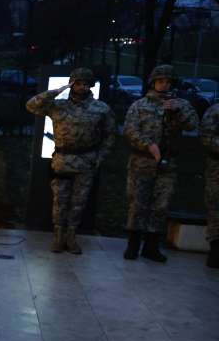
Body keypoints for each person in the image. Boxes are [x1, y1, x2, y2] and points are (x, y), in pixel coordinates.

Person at [26, 67, 116, 254]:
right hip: (62, 160)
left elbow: (110, 135)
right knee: (60, 200)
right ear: (71, 84)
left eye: (85, 84)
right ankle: (58, 237)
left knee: (79, 201)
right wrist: (58, 90)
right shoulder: (58, 105)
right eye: (78, 83)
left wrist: (100, 157)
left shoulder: (101, 109)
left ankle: (71, 237)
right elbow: (32, 105)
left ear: (90, 85)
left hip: (87, 160)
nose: (82, 87)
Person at [122, 64, 198, 262]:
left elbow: (192, 125)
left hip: (167, 164)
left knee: (161, 205)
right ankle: (133, 245)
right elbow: (130, 130)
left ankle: (151, 246)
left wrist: (178, 110)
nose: (164, 85)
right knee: (137, 204)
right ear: (153, 82)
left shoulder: (181, 104)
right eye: (161, 81)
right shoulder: (140, 105)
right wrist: (148, 145)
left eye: (168, 82)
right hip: (142, 162)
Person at [201, 101, 219, 268]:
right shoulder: (215, 111)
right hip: (216, 169)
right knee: (215, 209)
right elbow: (206, 136)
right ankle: (215, 250)